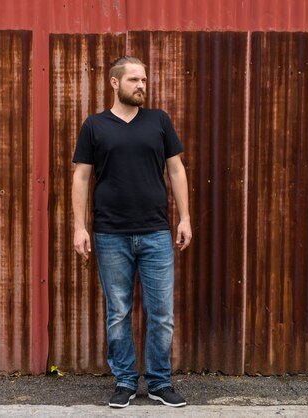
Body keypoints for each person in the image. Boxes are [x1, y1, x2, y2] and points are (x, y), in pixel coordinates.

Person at [71, 56, 192, 408]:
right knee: (118, 312)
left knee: (162, 313)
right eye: (134, 80)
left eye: (143, 80)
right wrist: (80, 228)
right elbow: (81, 177)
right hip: (110, 233)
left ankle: (158, 381)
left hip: (155, 232)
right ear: (114, 83)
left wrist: (184, 218)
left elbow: (176, 170)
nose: (141, 85)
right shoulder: (95, 125)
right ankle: (124, 381)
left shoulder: (158, 121)